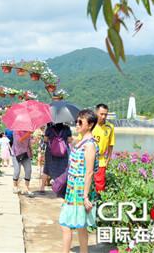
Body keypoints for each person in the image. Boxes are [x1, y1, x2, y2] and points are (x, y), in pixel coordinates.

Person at [59, 109, 99, 253]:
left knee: (65, 224)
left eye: (81, 122)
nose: (77, 124)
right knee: (81, 225)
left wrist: (85, 196)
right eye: (77, 121)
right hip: (73, 187)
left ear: (90, 125)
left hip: (80, 188)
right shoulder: (83, 141)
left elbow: (89, 172)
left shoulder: (90, 145)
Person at [39, 122, 73, 193]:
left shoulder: (49, 129)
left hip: (51, 152)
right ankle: (62, 188)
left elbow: (45, 139)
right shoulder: (66, 128)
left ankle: (42, 187)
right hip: (63, 152)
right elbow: (69, 140)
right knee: (64, 169)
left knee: (47, 169)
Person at [93, 103, 115, 192]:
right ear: (96, 112)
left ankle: (98, 204)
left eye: (105, 114)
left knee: (99, 187)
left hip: (100, 160)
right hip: (87, 159)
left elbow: (110, 145)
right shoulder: (90, 124)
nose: (103, 116)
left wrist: (107, 160)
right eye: (101, 114)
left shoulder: (110, 127)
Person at [11, 129, 34, 196]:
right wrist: (28, 134)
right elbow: (20, 140)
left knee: (28, 170)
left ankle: (27, 188)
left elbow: (28, 143)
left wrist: (31, 152)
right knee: (17, 170)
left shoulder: (27, 132)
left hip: (26, 154)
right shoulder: (16, 131)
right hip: (16, 154)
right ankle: (15, 186)